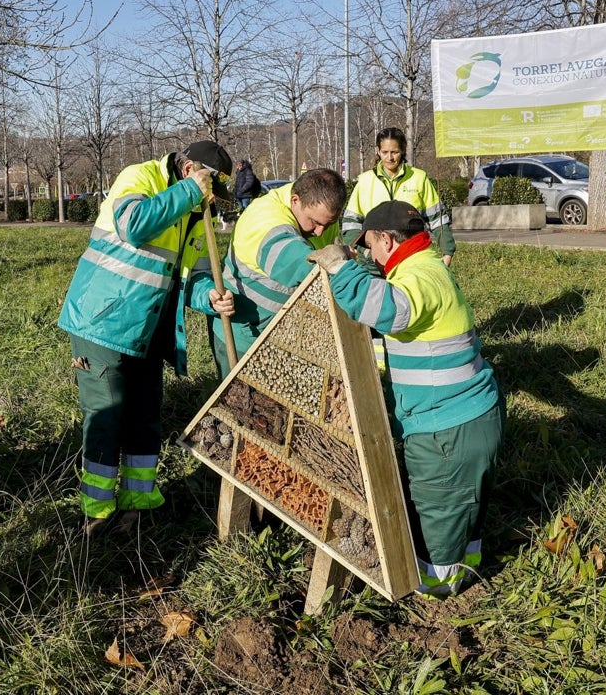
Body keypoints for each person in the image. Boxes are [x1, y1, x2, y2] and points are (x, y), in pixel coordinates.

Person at [309, 200, 502, 597]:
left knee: (441, 520)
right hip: (470, 418)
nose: (369, 254)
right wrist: (358, 265)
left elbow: (389, 309)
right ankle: (469, 571)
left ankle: (438, 595)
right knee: (465, 512)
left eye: (370, 245)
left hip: (445, 433)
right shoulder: (425, 266)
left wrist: (341, 270)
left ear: (386, 238)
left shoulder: (419, 277)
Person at [58, 141, 236, 537]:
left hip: (151, 329)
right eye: (209, 190)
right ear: (189, 169)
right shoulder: (140, 177)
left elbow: (197, 275)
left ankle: (137, 506)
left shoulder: (195, 213)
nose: (209, 203)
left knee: (145, 416)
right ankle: (96, 515)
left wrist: (209, 295)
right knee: (107, 415)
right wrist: (191, 190)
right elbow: (133, 226)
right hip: (104, 323)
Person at [210, 168, 347, 376]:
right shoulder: (264, 219)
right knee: (239, 401)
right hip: (243, 333)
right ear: (295, 200)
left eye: (328, 224)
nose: (320, 232)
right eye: (316, 223)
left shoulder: (323, 219)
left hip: (284, 332)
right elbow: (298, 264)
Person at [342, 127, 455, 265]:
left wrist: (447, 251)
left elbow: (438, 220)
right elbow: (350, 224)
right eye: (385, 152)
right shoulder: (365, 181)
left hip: (412, 260)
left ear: (403, 150)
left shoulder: (419, 178)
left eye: (394, 152)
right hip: (374, 265)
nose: (389, 157)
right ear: (378, 150)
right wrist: (366, 252)